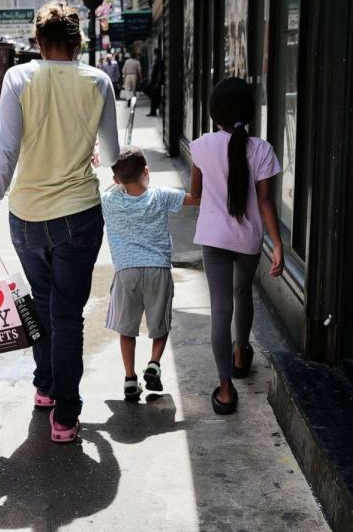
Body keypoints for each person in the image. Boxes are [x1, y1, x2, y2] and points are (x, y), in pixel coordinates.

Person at [0, 0, 120, 443]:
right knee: (67, 314)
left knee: (41, 301)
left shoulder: (18, 78)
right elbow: (113, 156)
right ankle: (66, 417)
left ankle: (44, 388)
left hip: (27, 218)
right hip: (79, 215)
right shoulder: (98, 81)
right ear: (78, 41)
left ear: (38, 41)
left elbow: (5, 153)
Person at [189, 77, 284, 415]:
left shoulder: (201, 146)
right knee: (243, 294)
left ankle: (226, 389)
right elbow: (266, 201)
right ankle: (241, 354)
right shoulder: (262, 149)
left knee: (220, 309)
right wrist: (277, 245)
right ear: (250, 112)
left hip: (213, 238)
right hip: (248, 240)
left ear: (215, 113)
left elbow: (197, 194)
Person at [101, 147, 200, 401]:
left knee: (127, 328)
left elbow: (95, 195)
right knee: (161, 322)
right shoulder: (160, 195)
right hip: (158, 269)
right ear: (146, 171)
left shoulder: (109, 201)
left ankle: (130, 379)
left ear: (116, 180)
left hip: (127, 272)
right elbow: (194, 198)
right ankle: (154, 363)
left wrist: (108, 175)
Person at [147, 50, 164, 117]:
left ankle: (153, 111)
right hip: (154, 81)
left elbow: (160, 72)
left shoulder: (159, 61)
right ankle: (153, 110)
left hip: (156, 82)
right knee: (153, 96)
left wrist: (157, 82)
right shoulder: (157, 60)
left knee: (154, 96)